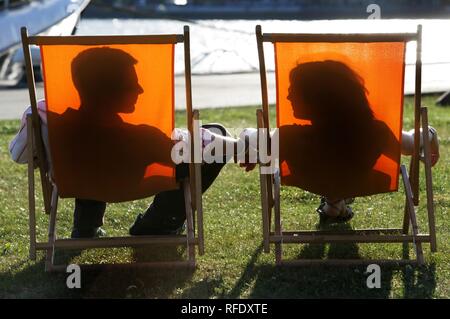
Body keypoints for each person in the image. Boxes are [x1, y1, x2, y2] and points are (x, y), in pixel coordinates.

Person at [10, 47, 246, 238]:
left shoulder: (55, 124)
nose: (140, 89)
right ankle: (159, 223)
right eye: (132, 83)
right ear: (111, 90)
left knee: (89, 156)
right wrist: (241, 146)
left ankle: (85, 227)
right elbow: (198, 149)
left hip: (78, 177)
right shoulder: (140, 137)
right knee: (210, 141)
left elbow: (18, 155)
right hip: (126, 178)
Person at [241, 60, 440, 224]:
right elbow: (409, 146)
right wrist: (429, 133)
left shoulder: (290, 137)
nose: (288, 95)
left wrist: (251, 143)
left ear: (316, 97)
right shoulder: (375, 130)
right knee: (337, 177)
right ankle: (334, 206)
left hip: (316, 181)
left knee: (330, 177)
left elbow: (252, 139)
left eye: (294, 90)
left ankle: (334, 205)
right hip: (357, 183)